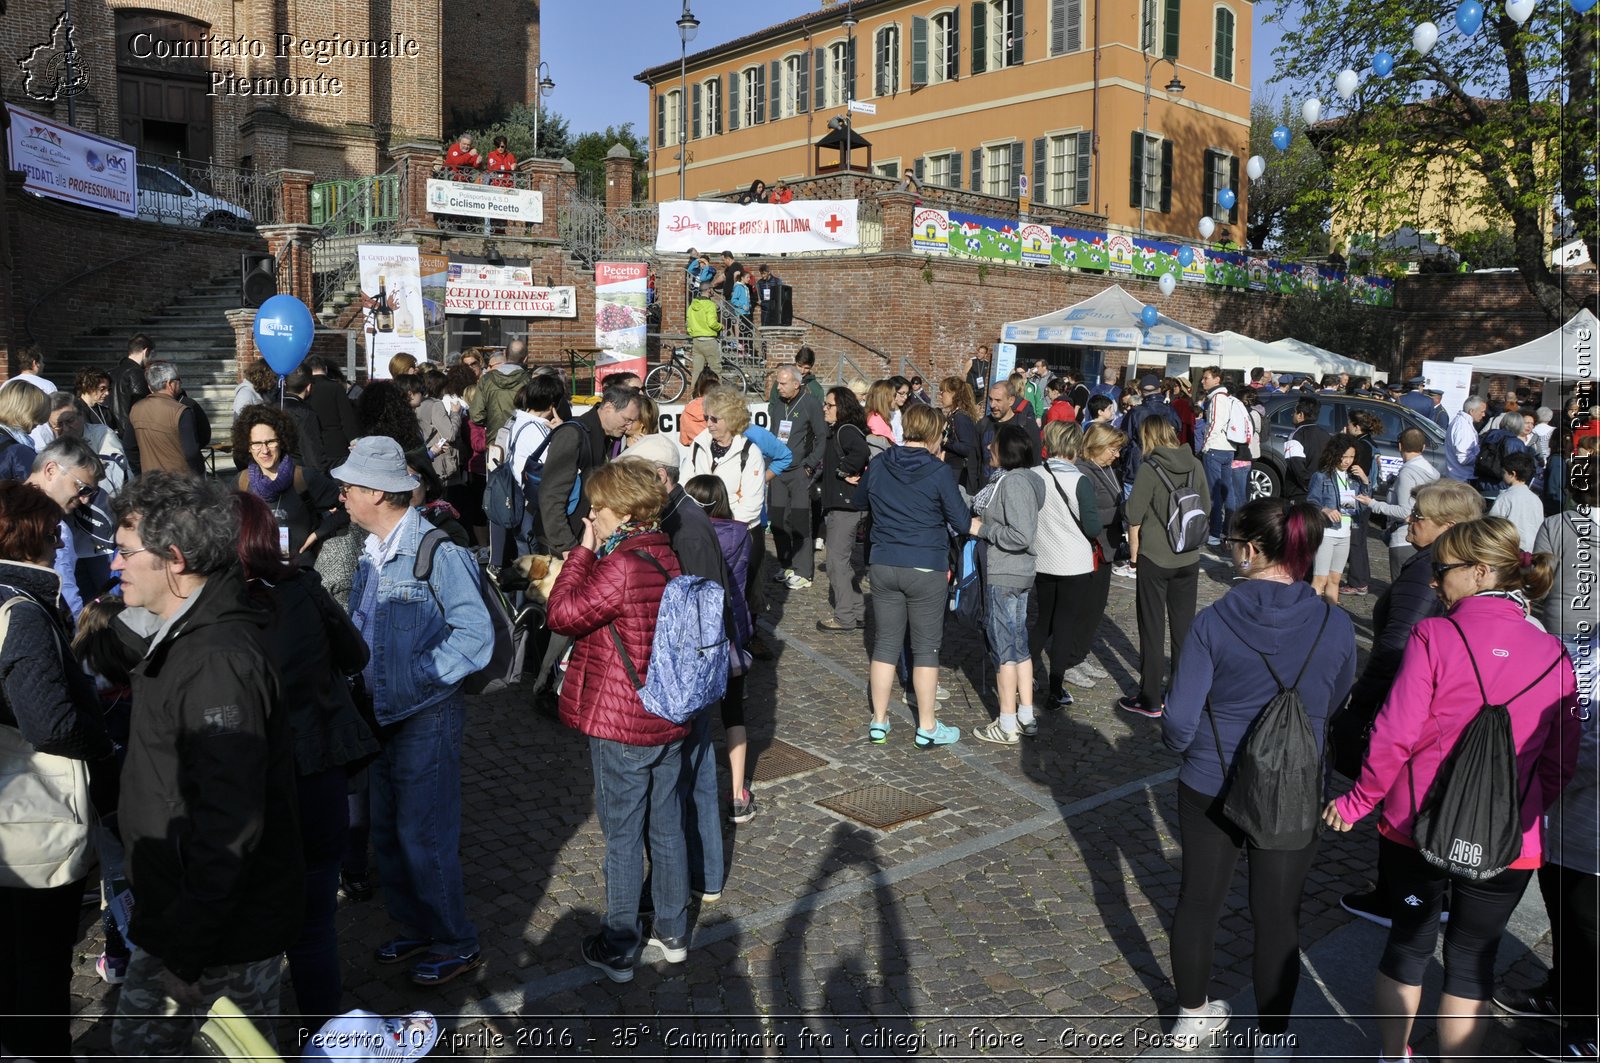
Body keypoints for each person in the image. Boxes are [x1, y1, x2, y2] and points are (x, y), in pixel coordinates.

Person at [1324, 517, 1578, 1063]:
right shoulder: (1556, 657)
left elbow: (1394, 735)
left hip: (1414, 824)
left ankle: (1396, 1056)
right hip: (1510, 836)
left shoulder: (1434, 635)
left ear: (1481, 572)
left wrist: (1358, 800)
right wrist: (1528, 811)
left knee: (1409, 944)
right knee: (1473, 958)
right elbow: (1561, 762)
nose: (1434, 582)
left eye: (1443, 572)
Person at [108, 474, 303, 1056]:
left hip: (213, 939)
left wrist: (189, 950)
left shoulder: (217, 661)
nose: (115, 566)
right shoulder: (188, 639)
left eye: (124, 553)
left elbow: (228, 822)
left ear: (174, 558)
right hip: (184, 921)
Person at [1160, 497, 1355, 1055]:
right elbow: (1338, 697)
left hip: (1210, 778)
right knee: (1277, 916)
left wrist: (1181, 747)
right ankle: (1272, 1039)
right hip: (1294, 781)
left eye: (1231, 543)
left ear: (1250, 550)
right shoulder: (1335, 623)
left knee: (1199, 900)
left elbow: (1178, 718)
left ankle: (1193, 1016)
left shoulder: (1213, 620)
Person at [335, 437, 493, 986]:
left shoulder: (438, 551)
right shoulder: (370, 550)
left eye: (350, 486)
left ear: (378, 493)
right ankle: (414, 926)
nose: (342, 494)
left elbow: (476, 636)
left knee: (424, 835)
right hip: (380, 711)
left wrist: (421, 676)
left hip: (425, 714)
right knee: (389, 832)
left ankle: (456, 941)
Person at [232, 492, 376, 1038]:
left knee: (266, 924)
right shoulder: (301, 590)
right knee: (315, 925)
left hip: (260, 781)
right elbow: (355, 656)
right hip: (315, 769)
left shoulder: (211, 609)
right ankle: (326, 1035)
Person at [545, 460, 691, 982]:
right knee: (667, 822)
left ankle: (620, 943)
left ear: (625, 512)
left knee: (624, 833)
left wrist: (582, 552)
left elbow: (561, 615)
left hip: (623, 720)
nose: (592, 516)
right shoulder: (665, 555)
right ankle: (673, 931)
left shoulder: (622, 565)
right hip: (668, 713)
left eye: (598, 509)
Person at [1331, 479, 1486, 926]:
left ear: (1450, 526)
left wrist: (1360, 705)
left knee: (1402, 792)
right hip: (1446, 701)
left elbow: (1396, 647)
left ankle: (1397, 897)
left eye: (1418, 516)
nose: (1409, 521)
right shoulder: (1457, 566)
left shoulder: (1426, 572)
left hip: (1412, 700)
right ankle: (1436, 887)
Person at [0, 480, 112, 1062]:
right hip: (32, 816)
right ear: (35, 536)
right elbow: (48, 723)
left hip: (11, 812)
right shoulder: (22, 612)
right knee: (39, 958)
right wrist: (103, 743)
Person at [1503, 457, 1600, 1057]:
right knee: (1562, 901)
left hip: (1589, 812)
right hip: (1565, 809)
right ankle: (1564, 990)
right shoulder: (1578, 648)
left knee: (1588, 917)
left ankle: (1590, 1030)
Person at [618, 436, 739, 890]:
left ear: (661, 476)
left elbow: (703, 608)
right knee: (694, 772)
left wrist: (681, 681)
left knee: (694, 775)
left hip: (687, 675)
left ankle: (700, 873)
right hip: (683, 673)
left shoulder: (686, 526)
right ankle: (701, 873)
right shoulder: (676, 515)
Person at [855, 404, 967, 748]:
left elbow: (861, 499)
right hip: (925, 564)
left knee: (885, 645)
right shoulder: (939, 471)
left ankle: (879, 720)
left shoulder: (879, 463)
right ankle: (927, 725)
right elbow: (961, 521)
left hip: (885, 561)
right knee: (926, 649)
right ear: (934, 433)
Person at [1119, 416, 1210, 718]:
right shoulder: (1194, 463)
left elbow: (1133, 512)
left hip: (1156, 557)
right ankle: (1181, 697)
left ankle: (1149, 699)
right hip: (1189, 557)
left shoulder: (1149, 468)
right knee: (1184, 630)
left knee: (1152, 629)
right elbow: (1206, 506)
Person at [684, 473, 757, 824]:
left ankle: (688, 789)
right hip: (733, 627)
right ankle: (739, 793)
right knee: (734, 713)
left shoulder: (685, 533)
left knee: (693, 712)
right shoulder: (742, 533)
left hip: (697, 629)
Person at [970, 424, 1047, 745]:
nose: (989, 448)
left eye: (994, 444)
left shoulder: (1014, 483)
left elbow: (1020, 535)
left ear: (1008, 450)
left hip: (1007, 573)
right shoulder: (1019, 481)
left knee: (1003, 647)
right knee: (1017, 643)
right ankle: (1026, 715)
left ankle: (1006, 722)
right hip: (1018, 573)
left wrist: (982, 529)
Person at [1031, 422, 1107, 707]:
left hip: (1043, 559)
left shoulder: (1034, 475)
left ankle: (1022, 676)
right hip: (1074, 564)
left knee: (1043, 621)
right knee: (1064, 625)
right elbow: (1092, 526)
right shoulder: (1079, 480)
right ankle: (1056, 687)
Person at [538, 382, 640, 558]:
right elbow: (551, 496)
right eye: (626, 419)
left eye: (632, 421)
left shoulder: (608, 439)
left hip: (582, 540)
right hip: (560, 545)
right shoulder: (572, 435)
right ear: (608, 407)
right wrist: (567, 547)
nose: (629, 427)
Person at [232, 405, 343, 565]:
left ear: (282, 441)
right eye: (256, 443)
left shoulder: (304, 478)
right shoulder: (241, 482)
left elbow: (347, 507)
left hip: (301, 575)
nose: (264, 450)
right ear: (248, 447)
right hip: (258, 577)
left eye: (270, 442)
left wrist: (318, 533)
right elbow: (224, 525)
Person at [817, 386, 871, 633]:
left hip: (845, 507)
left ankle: (845, 618)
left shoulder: (846, 430)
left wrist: (844, 470)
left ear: (843, 408)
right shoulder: (839, 430)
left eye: (829, 405)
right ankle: (857, 611)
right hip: (842, 504)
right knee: (843, 564)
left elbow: (861, 452)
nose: (825, 408)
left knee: (836, 564)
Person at [767, 366, 825, 590]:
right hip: (778, 471)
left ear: (796, 384)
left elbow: (822, 438)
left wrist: (810, 465)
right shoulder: (779, 404)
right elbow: (774, 434)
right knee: (779, 521)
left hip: (800, 472)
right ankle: (787, 565)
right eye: (778, 383)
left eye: (782, 383)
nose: (778, 387)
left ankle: (803, 572)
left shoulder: (810, 403)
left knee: (800, 520)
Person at [686, 387, 769, 532]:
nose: (709, 424)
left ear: (731, 419)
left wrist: (722, 525)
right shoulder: (698, 444)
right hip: (700, 526)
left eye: (714, 419)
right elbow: (684, 483)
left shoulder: (750, 452)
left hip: (737, 530)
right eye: (706, 417)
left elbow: (752, 504)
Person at [1367, 427, 1440, 575]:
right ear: (1423, 447)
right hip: (1427, 536)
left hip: (1404, 537)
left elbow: (1405, 511)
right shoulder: (1432, 472)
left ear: (1400, 446)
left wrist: (1373, 504)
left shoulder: (1407, 473)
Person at [1307, 433, 1365, 606]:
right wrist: (1326, 510)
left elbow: (1363, 505)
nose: (1347, 461)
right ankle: (1310, 614)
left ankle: (1331, 616)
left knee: (1335, 578)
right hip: (1327, 532)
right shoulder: (1322, 476)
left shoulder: (1353, 478)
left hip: (1345, 533)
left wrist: (1365, 480)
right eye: (1344, 456)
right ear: (1335, 454)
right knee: (1320, 578)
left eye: (1351, 457)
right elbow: (1311, 502)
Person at [1197, 366, 1249, 547]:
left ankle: (1215, 531)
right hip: (1228, 448)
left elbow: (1214, 424)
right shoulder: (1227, 397)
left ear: (1216, 379)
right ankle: (1228, 529)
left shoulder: (1217, 398)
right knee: (1228, 492)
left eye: (1206, 378)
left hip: (1216, 448)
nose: (1203, 381)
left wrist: (1205, 446)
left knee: (1215, 493)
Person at [128, 361, 204, 476]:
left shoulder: (136, 409)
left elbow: (129, 447)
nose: (181, 383)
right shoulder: (181, 411)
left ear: (149, 386)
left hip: (150, 481)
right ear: (170, 384)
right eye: (178, 380)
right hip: (180, 483)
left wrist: (141, 474)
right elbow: (191, 453)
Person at [1120, 375, 1180, 495]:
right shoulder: (1171, 411)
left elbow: (1124, 440)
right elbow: (1177, 433)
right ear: (1158, 390)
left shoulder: (1135, 413)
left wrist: (1125, 462)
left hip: (1137, 468)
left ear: (1140, 391)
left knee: (1131, 510)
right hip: (1164, 467)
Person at [307, 356, 362, 469]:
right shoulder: (336, 388)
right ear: (325, 369)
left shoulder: (305, 389)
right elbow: (347, 418)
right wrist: (355, 441)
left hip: (312, 446)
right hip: (337, 446)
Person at [108, 334, 154, 469]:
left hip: (116, 432)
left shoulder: (112, 372)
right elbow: (142, 406)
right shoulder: (137, 373)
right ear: (145, 351)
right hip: (132, 434)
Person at [468, 345, 529, 442]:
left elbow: (476, 415)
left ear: (505, 354)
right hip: (521, 440)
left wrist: (492, 420)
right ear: (525, 359)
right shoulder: (529, 381)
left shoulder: (486, 380)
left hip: (495, 440)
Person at [938, 377, 985, 494]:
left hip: (957, 471)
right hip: (951, 468)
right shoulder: (953, 415)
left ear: (954, 394)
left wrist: (945, 442)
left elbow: (967, 448)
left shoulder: (960, 417)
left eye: (943, 392)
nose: (940, 395)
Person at [1489, 450, 1543, 551]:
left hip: (1510, 549)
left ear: (1513, 474)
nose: (1502, 475)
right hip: (1532, 550)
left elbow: (1493, 526)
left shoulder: (1505, 497)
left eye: (1504, 472)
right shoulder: (1536, 499)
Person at [1281, 395, 1330, 503]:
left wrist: (1309, 487)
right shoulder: (1325, 434)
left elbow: (1296, 466)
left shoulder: (1296, 435)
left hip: (1300, 493)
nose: (1292, 414)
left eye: (1294, 411)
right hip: (1322, 490)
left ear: (1300, 415)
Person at [981, 379, 1041, 467]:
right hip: (987, 479)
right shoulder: (983, 424)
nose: (992, 405)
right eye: (990, 399)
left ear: (1011, 401)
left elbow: (1036, 460)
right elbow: (974, 459)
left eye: (998, 400)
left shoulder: (1027, 426)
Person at [1477, 410, 1533, 500]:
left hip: (1482, 482)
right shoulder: (1516, 442)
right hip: (1502, 486)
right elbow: (1519, 467)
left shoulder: (1489, 435)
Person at [0, 380, 47, 482]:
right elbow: (36, 489)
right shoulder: (19, 451)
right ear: (28, 412)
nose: (40, 424)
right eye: (38, 417)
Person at [686, 284, 722, 385]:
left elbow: (688, 324)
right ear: (709, 290)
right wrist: (721, 326)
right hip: (709, 340)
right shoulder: (710, 305)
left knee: (696, 372)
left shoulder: (692, 306)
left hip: (696, 341)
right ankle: (718, 396)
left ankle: (694, 396)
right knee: (716, 371)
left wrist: (693, 332)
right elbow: (712, 323)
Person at [1447, 397, 1487, 482]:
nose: (1484, 415)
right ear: (1472, 411)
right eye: (1482, 411)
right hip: (1462, 478)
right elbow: (1463, 458)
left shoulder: (1462, 423)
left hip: (1460, 476)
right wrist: (1481, 458)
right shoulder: (1463, 428)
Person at [677, 369, 720, 446]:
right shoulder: (718, 409)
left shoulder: (687, 410)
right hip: (715, 450)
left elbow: (684, 440)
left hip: (694, 451)